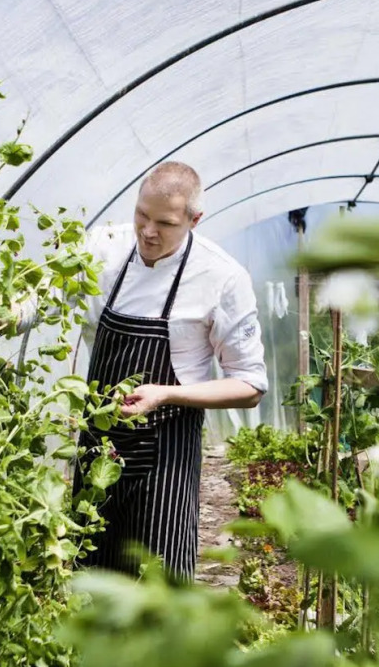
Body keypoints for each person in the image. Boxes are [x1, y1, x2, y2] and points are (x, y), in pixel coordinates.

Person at [72, 161, 266, 583]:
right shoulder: (103, 247)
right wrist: (4, 314)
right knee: (90, 580)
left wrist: (165, 393)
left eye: (165, 223)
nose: (147, 232)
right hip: (98, 443)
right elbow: (43, 297)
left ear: (195, 220)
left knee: (158, 584)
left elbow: (250, 385)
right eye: (141, 215)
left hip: (166, 451)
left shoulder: (221, 277)